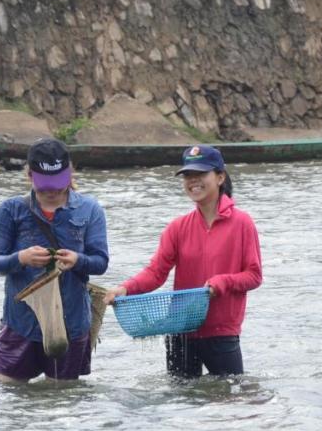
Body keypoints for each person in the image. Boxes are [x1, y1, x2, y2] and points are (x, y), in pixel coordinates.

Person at [104, 144, 262, 377]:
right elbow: (156, 272)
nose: (193, 181)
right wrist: (124, 289)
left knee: (231, 401)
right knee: (181, 403)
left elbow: (254, 275)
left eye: (201, 174)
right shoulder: (177, 227)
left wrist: (222, 283)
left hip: (221, 331)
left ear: (220, 177)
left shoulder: (242, 223)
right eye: (188, 175)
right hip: (180, 329)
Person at [0, 137, 109, 383]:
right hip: (20, 322)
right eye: (44, 186)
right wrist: (21, 258)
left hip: (72, 324)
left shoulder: (89, 209)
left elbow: (100, 262)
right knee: (6, 392)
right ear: (30, 176)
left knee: (64, 402)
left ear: (70, 173)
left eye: (58, 185)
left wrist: (78, 260)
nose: (52, 191)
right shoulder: (10, 210)